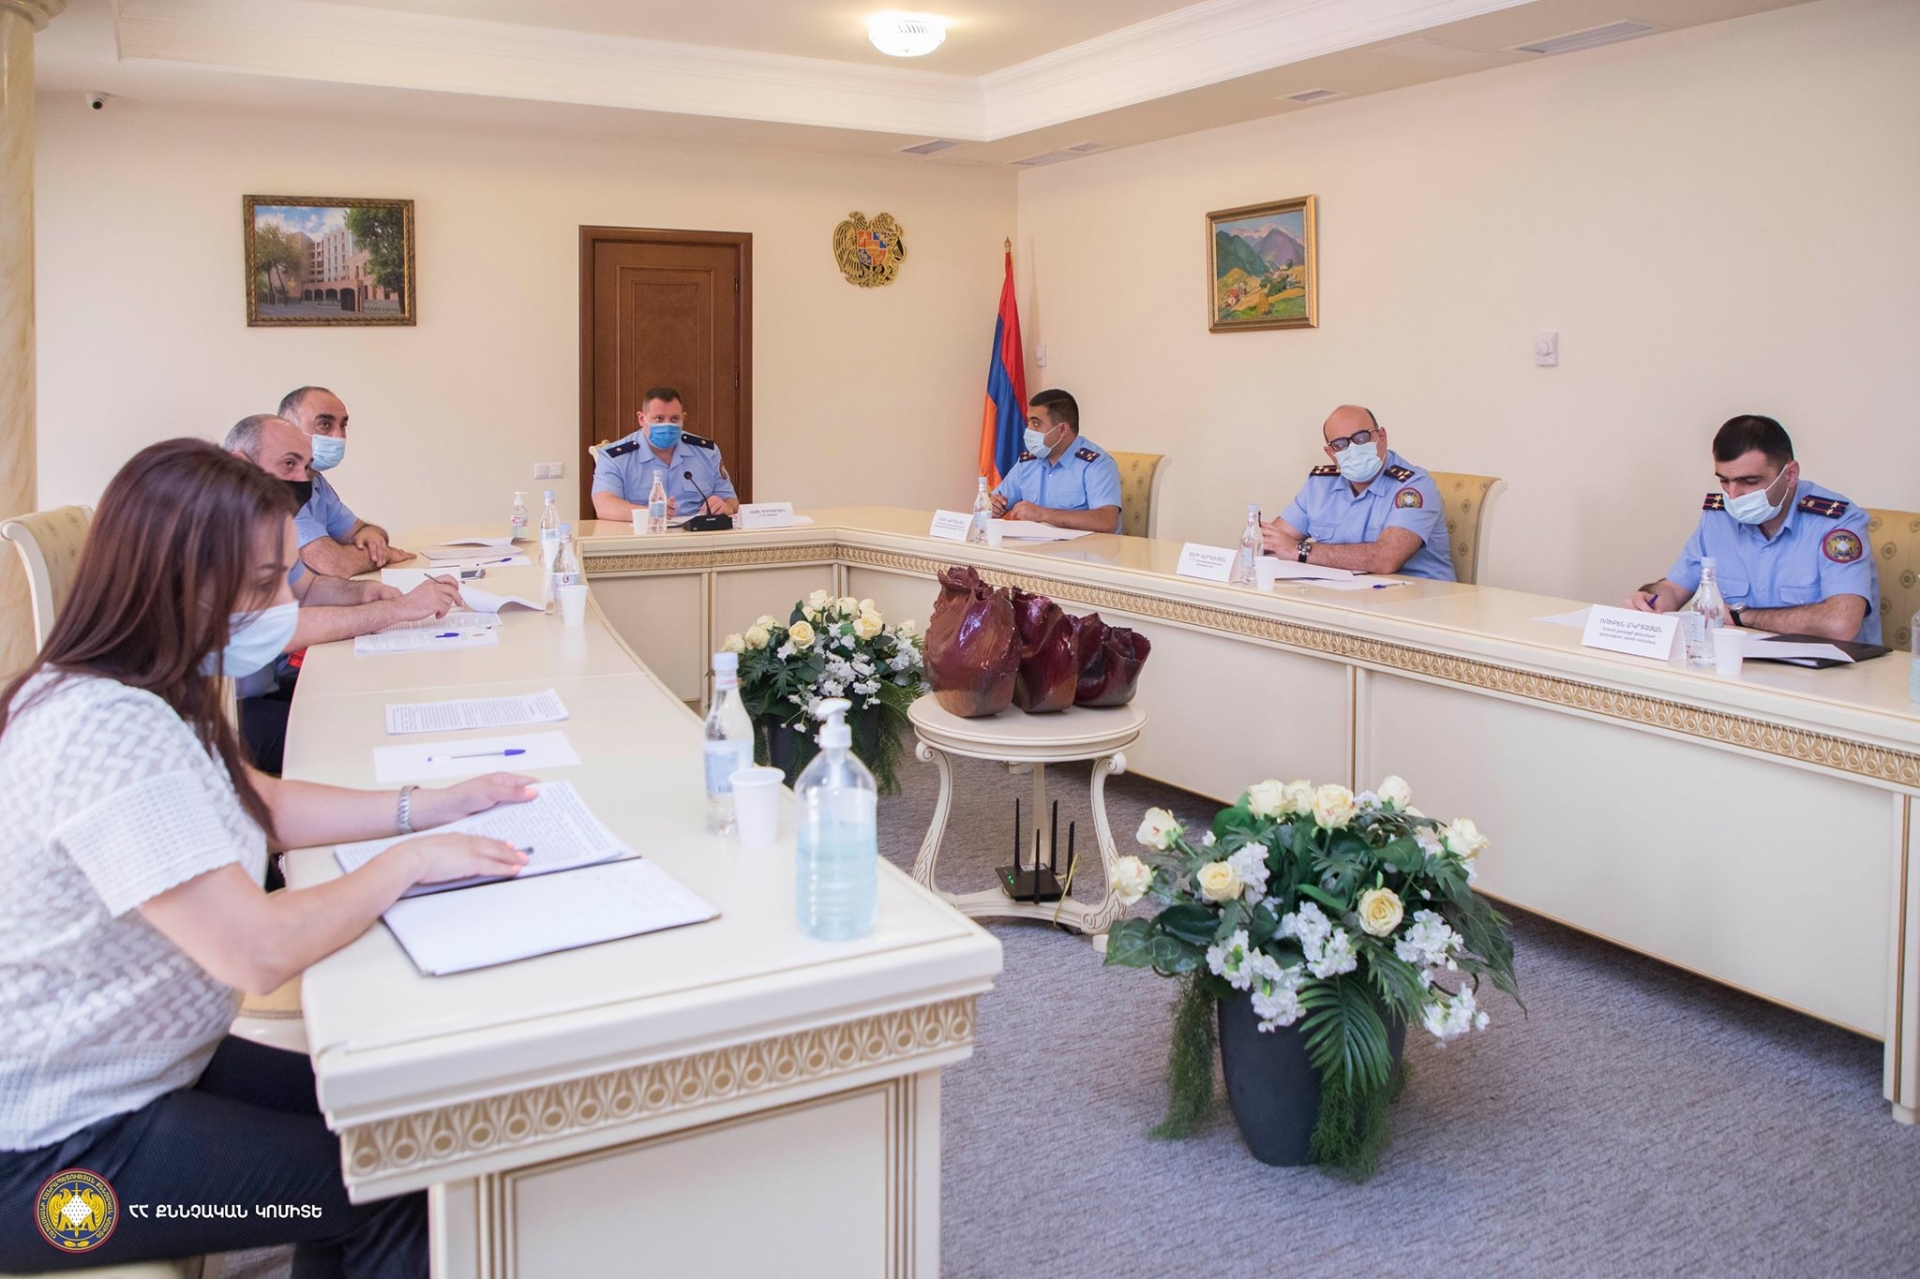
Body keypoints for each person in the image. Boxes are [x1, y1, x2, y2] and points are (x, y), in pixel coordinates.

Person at [0, 439, 533, 1277]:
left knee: (392, 1119)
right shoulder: (104, 731)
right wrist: (405, 862)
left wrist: (426, 805)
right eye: (258, 586)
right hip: (52, 1159)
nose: (279, 607)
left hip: (147, 1068)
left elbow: (261, 803)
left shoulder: (137, 688)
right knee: (391, 1181)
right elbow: (256, 949)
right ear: (174, 580)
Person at [225, 414, 464, 774]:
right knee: (362, 736)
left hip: (262, 689)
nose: (302, 480)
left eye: (306, 467)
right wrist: (397, 610)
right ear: (239, 463)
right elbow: (280, 627)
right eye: (288, 464)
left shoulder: (266, 522)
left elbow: (307, 589)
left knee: (383, 705)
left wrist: (365, 592)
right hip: (222, 713)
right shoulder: (215, 532)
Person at [1626, 414, 1880, 643]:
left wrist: (1741, 616)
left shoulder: (1837, 522)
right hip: (1740, 665)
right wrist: (1650, 599)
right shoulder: (1718, 516)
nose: (1733, 495)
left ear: (1790, 475)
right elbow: (1675, 588)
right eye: (1724, 481)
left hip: (1830, 671)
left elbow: (1840, 624)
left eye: (1749, 481)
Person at [1260, 405, 1455, 581]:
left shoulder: (1414, 487)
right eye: (1340, 444)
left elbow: (1386, 558)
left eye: (1361, 438)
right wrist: (1258, 540)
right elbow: (1270, 542)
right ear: (1330, 453)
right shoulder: (1320, 485)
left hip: (1417, 599)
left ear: (1381, 437)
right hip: (1350, 596)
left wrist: (1300, 551)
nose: (1353, 449)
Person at [279, 385, 412, 576]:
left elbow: (361, 530)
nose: (339, 436)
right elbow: (332, 564)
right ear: (287, 428)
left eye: (343, 426)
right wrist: (386, 555)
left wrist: (371, 536)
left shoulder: (315, 481)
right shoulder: (275, 486)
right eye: (325, 424)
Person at [590, 385, 739, 522]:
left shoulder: (706, 452)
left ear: (683, 419)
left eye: (674, 419)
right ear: (642, 419)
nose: (667, 425)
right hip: (642, 535)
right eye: (659, 419)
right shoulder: (615, 457)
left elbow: (731, 501)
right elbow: (604, 506)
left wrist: (725, 506)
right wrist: (651, 513)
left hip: (698, 535)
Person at [989, 389, 1122, 534]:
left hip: (1083, 548)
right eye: (1029, 422)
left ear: (1062, 429)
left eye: (1036, 424)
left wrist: (1043, 515)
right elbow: (997, 500)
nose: (1028, 430)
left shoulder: (1097, 464)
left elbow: (1107, 522)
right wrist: (993, 505)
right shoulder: (1028, 462)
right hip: (1035, 546)